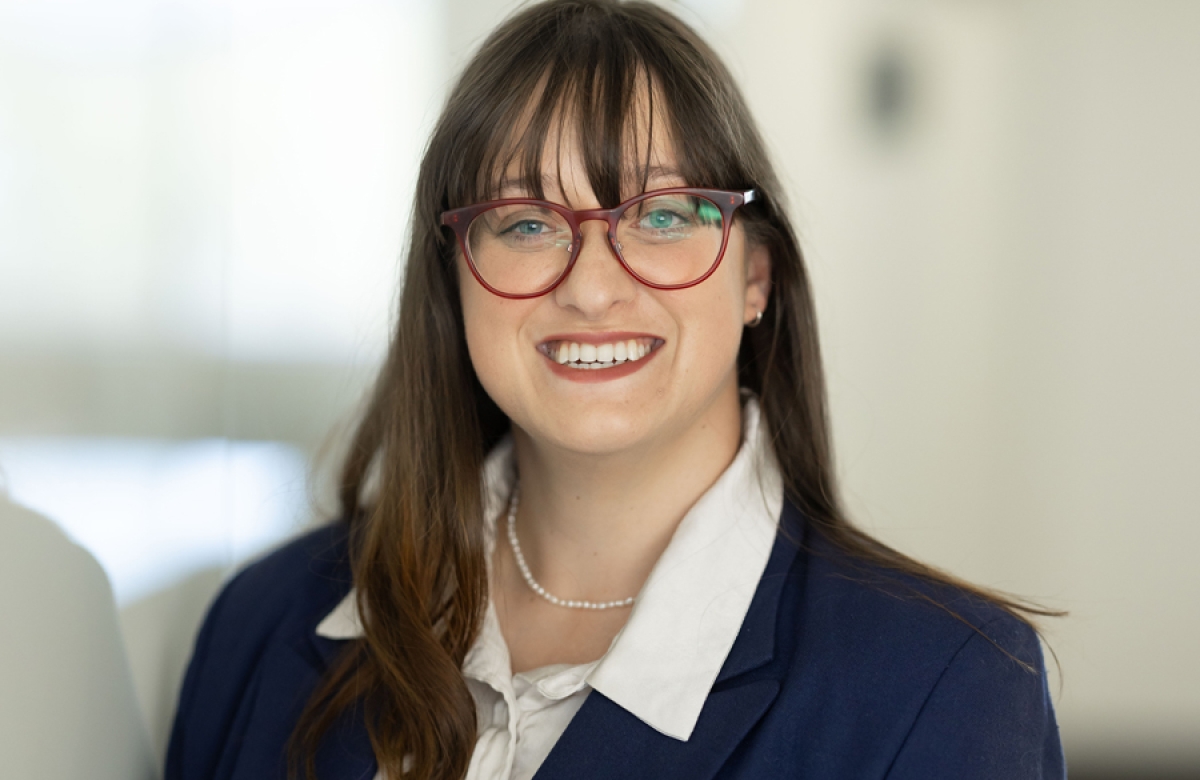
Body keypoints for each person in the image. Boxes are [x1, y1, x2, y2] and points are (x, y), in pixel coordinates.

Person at [165, 1, 1065, 778]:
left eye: (663, 215)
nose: (591, 288)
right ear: (454, 283)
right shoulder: (261, 621)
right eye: (523, 223)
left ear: (756, 277)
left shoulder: (947, 683)